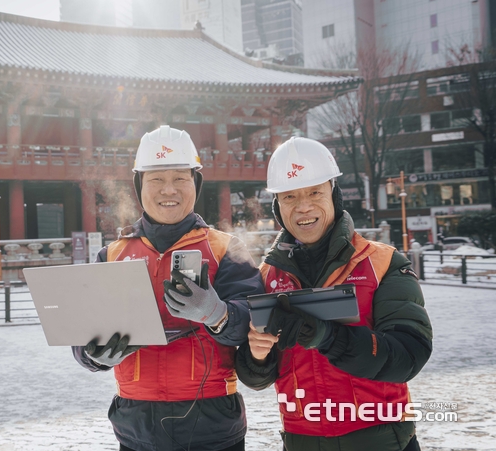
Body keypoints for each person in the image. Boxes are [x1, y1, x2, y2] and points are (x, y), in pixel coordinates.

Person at [72, 125, 264, 451]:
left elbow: (255, 323)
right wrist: (93, 354)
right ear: (139, 186)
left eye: (180, 178)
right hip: (136, 428)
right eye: (156, 179)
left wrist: (217, 313)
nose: (168, 190)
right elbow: (82, 335)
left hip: (213, 425)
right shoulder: (113, 254)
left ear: (196, 183)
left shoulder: (226, 249)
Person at [235, 136, 433, 451]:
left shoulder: (381, 263)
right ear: (278, 206)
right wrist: (258, 354)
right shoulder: (266, 277)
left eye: (315, 192)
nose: (303, 206)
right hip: (302, 441)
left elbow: (410, 355)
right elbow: (256, 378)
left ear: (334, 193)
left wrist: (328, 338)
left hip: (381, 441)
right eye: (289, 197)